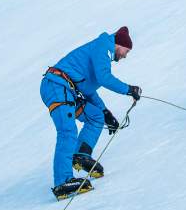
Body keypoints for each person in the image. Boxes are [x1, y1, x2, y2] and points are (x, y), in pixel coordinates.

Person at [40, 26, 141, 199]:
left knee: (96, 116)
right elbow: (104, 78)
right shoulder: (103, 46)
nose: (125, 55)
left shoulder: (100, 54)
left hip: (68, 90)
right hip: (57, 86)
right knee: (67, 131)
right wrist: (128, 89)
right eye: (126, 51)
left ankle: (80, 155)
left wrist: (105, 112)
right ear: (119, 44)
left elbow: (89, 90)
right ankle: (62, 182)